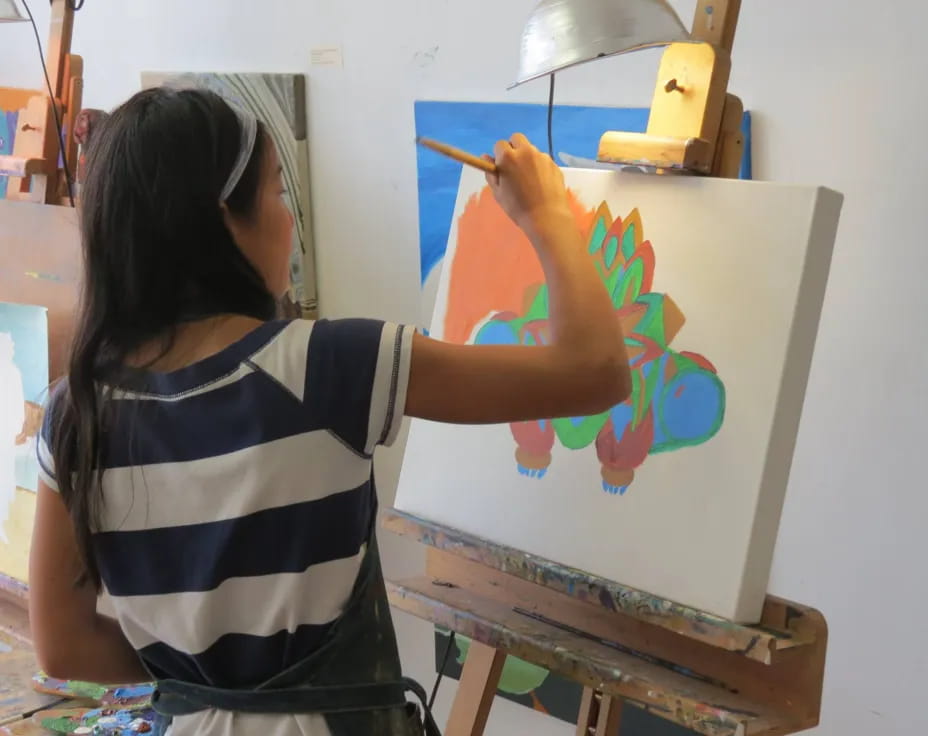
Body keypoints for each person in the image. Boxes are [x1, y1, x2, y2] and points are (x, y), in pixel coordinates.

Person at [28, 87, 631, 736]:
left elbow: (61, 645)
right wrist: (546, 214)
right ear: (222, 222)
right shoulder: (334, 367)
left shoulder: (75, 412)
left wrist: (210, 682)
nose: (290, 220)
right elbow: (594, 372)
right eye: (277, 195)